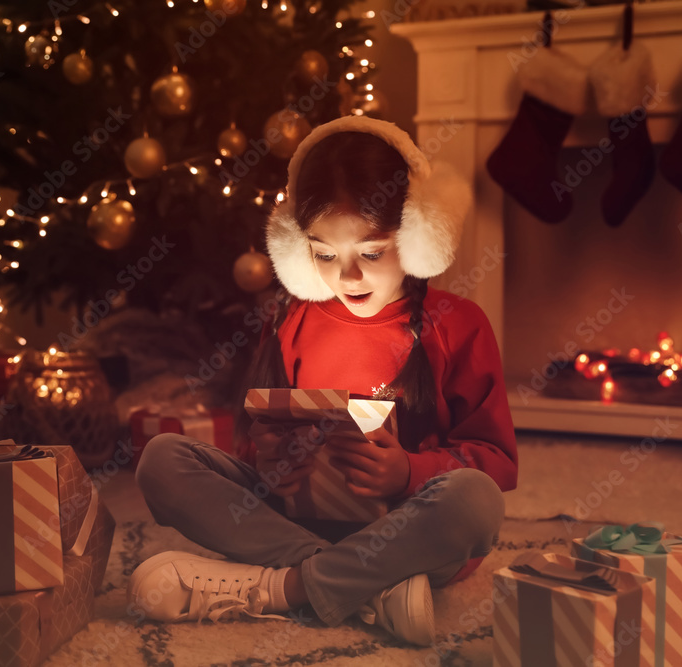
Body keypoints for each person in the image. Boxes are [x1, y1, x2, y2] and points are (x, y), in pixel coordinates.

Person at [128, 115, 518, 646]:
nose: (348, 276)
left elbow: (495, 463)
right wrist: (268, 465)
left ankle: (279, 589)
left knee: (477, 500)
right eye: (324, 254)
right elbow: (256, 439)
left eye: (371, 252)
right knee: (162, 460)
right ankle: (366, 586)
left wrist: (407, 470)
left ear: (421, 231)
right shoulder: (291, 320)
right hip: (297, 525)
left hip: (407, 532)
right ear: (297, 248)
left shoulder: (458, 324)